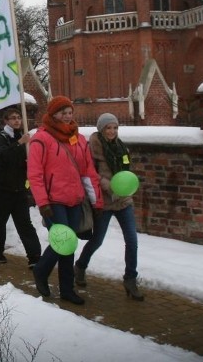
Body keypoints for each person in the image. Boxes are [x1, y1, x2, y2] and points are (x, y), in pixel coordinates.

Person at [27, 96, 103, 305]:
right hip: (54, 200)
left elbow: (88, 171)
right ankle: (42, 272)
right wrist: (43, 203)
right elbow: (35, 174)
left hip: (75, 199)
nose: (68, 117)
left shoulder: (78, 138)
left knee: (70, 243)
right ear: (53, 114)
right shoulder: (41, 139)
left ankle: (66, 289)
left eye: (70, 112)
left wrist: (96, 201)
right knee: (63, 243)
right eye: (63, 113)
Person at [74, 113, 144, 300]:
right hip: (104, 202)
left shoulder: (122, 148)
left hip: (123, 200)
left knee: (132, 240)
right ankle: (80, 266)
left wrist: (126, 186)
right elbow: (91, 175)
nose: (112, 131)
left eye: (115, 127)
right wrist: (109, 186)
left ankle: (130, 279)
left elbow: (126, 172)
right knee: (97, 240)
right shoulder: (93, 149)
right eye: (108, 128)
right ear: (101, 129)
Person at [0, 108, 41, 268]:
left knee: (25, 223)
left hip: (19, 189)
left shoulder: (23, 136)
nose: (17, 121)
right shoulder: (1, 138)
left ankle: (34, 256)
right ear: (6, 121)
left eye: (19, 118)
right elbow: (3, 156)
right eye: (13, 118)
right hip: (3, 189)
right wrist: (20, 144)